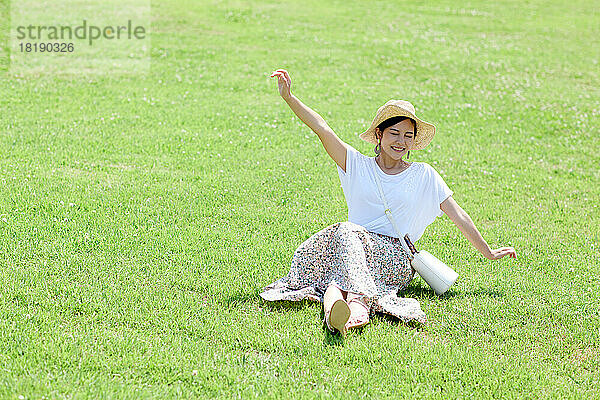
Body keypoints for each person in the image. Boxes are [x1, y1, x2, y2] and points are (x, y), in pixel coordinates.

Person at [260, 69, 517, 336]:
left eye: (408, 136)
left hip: (395, 257)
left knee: (345, 235)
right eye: (395, 133)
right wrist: (289, 97)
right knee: (344, 247)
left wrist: (488, 251)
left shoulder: (423, 174)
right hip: (353, 249)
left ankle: (354, 304)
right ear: (380, 135)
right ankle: (336, 311)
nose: (401, 142)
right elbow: (321, 128)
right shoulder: (356, 165)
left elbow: (457, 213)